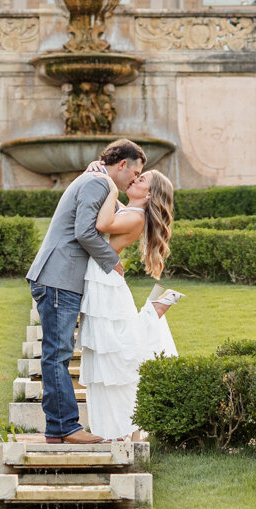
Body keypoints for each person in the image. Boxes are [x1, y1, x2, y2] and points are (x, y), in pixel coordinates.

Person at [25, 139, 144, 443]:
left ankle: (60, 428)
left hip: (61, 278)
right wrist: (111, 261)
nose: (134, 179)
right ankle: (64, 428)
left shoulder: (98, 181)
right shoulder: (98, 182)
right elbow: (84, 231)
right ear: (122, 165)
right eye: (135, 173)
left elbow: (110, 216)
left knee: (58, 352)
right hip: (58, 278)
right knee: (57, 354)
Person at [77, 165, 179, 440]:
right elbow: (110, 210)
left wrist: (110, 186)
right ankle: (119, 428)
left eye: (141, 179)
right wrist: (97, 173)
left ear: (149, 194)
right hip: (101, 278)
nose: (135, 178)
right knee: (106, 352)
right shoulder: (131, 210)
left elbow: (102, 224)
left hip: (105, 283)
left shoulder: (137, 217)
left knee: (117, 351)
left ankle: (155, 311)